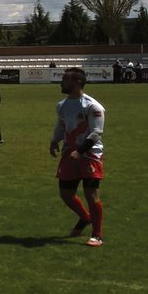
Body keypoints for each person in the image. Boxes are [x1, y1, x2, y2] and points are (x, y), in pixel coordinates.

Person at [49, 67, 107, 247]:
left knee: (91, 194)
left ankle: (97, 235)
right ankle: (84, 217)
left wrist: (80, 151)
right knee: (66, 194)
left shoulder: (92, 106)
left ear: (77, 83)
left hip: (90, 154)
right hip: (69, 153)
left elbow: (97, 132)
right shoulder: (62, 105)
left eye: (65, 79)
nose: (61, 82)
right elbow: (61, 126)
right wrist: (54, 141)